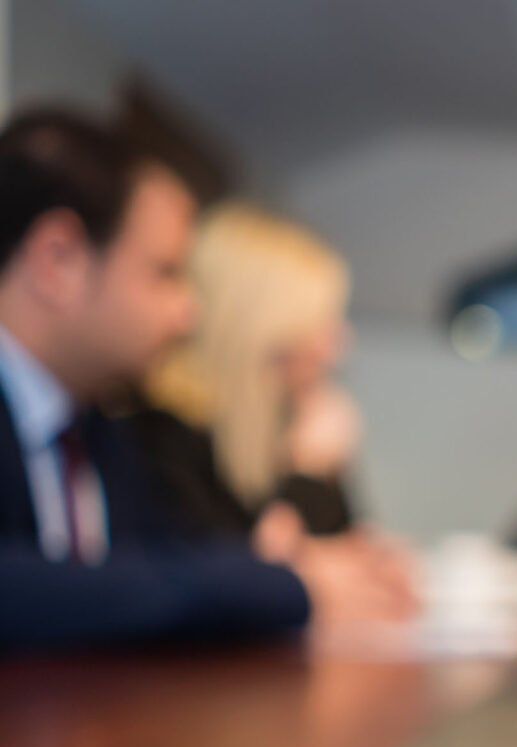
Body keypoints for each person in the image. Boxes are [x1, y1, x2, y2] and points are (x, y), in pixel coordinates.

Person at [0, 107, 412, 650]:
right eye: (165, 273)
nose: (189, 314)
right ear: (57, 260)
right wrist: (277, 583)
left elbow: (172, 572)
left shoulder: (99, 432)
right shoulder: (127, 433)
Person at [123, 203, 364, 558]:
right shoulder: (159, 440)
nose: (337, 347)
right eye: (320, 322)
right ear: (260, 329)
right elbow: (245, 582)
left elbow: (348, 561)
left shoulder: (282, 425)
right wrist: (308, 473)